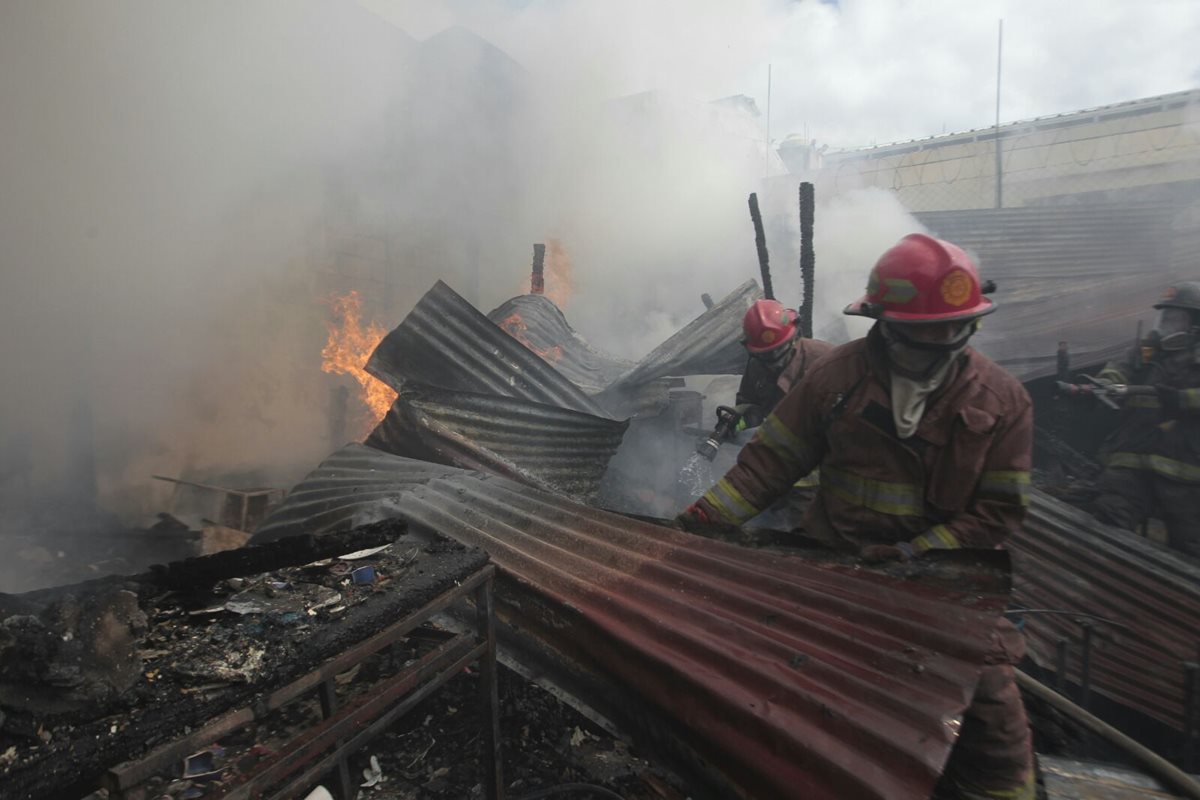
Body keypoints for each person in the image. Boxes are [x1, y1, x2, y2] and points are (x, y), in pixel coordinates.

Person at [678, 233, 1035, 800]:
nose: (937, 346)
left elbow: (998, 513)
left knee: (994, 733)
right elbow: (769, 464)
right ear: (884, 325)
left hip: (943, 588)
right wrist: (700, 521)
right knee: (790, 701)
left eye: (952, 332)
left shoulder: (1002, 401)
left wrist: (918, 554)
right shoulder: (837, 379)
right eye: (923, 335)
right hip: (834, 571)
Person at [1091, 281, 1200, 557]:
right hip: (1131, 458)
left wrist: (1182, 400)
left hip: (1185, 471)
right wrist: (1107, 382)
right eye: (1165, 318)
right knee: (1109, 522)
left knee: (1189, 547)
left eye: (1176, 319)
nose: (1167, 326)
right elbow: (1117, 369)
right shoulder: (1146, 353)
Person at [734, 299, 833, 429]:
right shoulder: (755, 367)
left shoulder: (825, 358)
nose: (775, 359)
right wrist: (744, 420)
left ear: (792, 339)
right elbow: (748, 403)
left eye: (779, 349)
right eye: (766, 354)